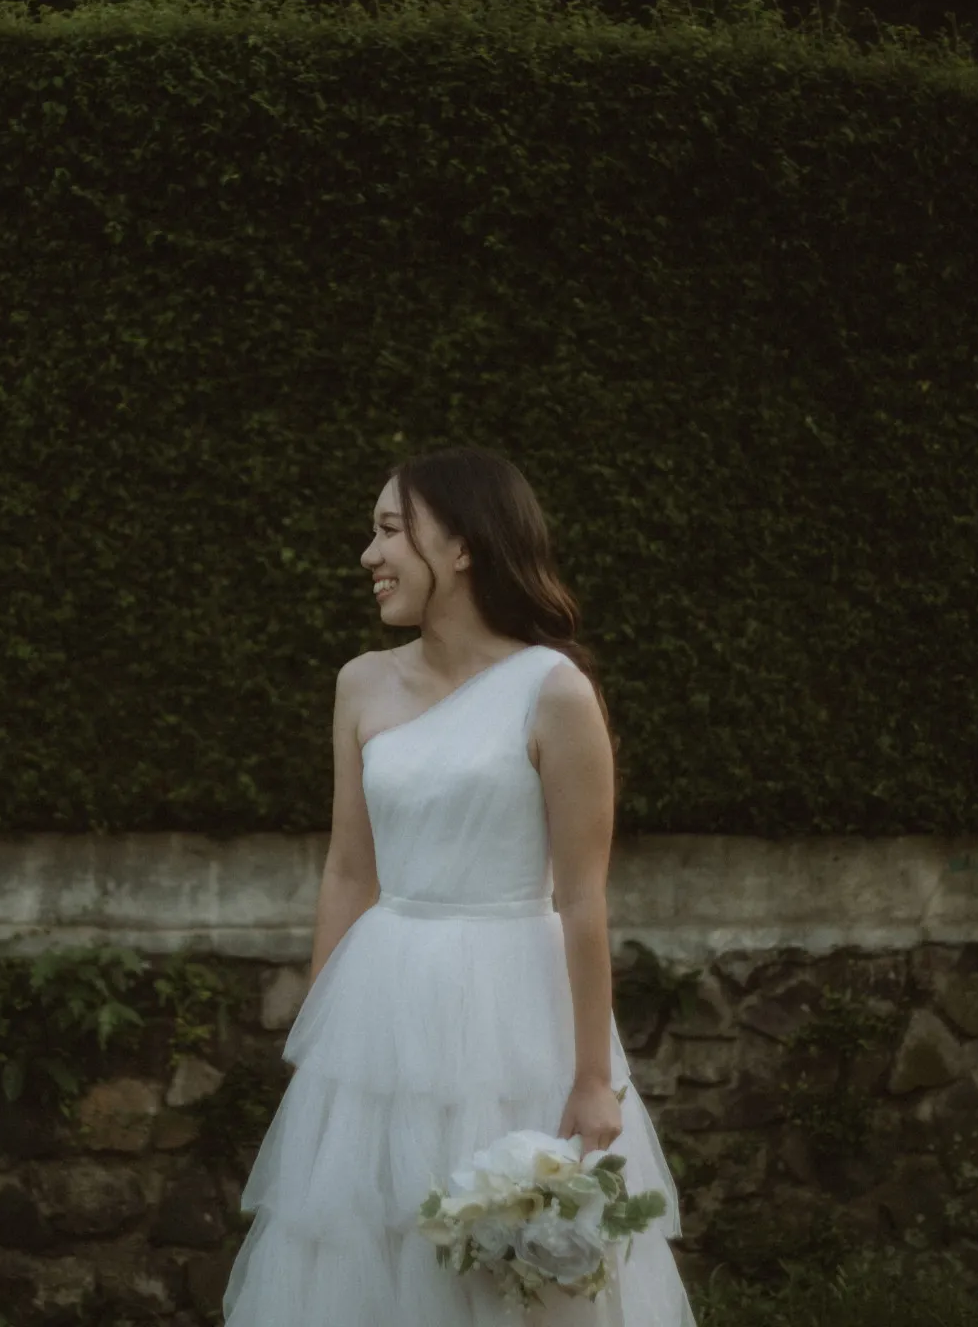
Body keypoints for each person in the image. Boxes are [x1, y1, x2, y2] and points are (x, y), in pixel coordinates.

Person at [223, 446, 695, 1327]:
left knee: (514, 1270)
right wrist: (323, 1051)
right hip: (382, 1007)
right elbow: (350, 869)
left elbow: (583, 897)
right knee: (368, 1250)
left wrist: (593, 1079)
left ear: (464, 546)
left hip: (516, 1013)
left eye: (390, 531)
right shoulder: (361, 683)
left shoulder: (555, 691)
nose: (368, 555)